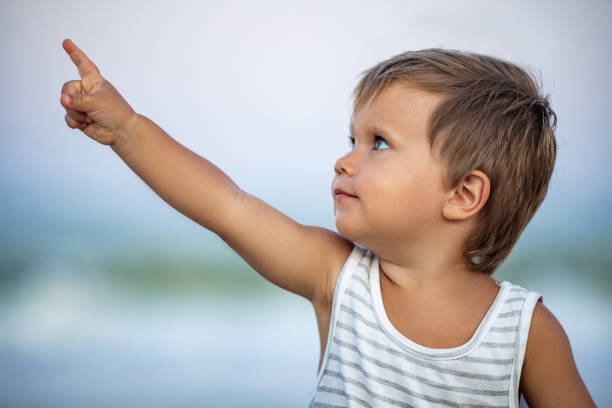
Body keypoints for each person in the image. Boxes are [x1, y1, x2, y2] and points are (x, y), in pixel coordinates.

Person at [59, 38, 595, 407]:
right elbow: (226, 206)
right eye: (351, 139)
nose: (345, 160)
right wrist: (127, 130)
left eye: (379, 143)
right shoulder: (338, 275)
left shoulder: (526, 331)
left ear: (463, 194)